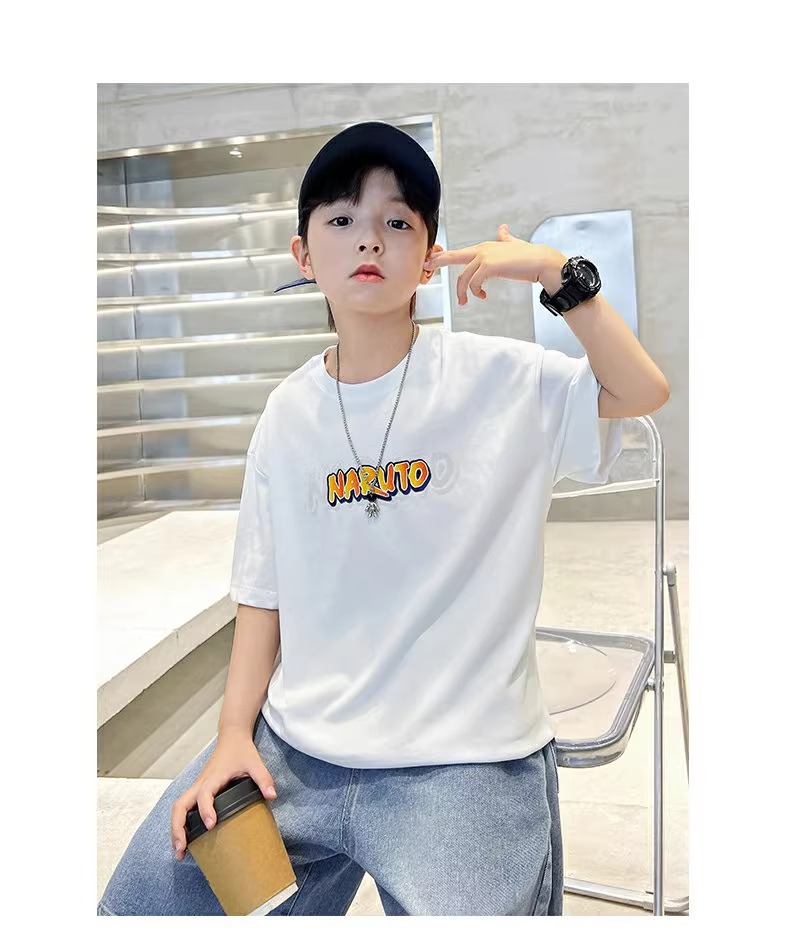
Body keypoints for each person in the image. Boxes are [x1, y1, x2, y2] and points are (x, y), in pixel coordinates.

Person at [97, 122, 670, 916]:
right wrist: (233, 735)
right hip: (298, 754)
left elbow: (640, 391)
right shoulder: (286, 414)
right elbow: (262, 594)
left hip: (464, 759)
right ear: (304, 255)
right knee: (140, 908)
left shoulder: (501, 381)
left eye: (398, 221)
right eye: (341, 218)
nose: (369, 237)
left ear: (430, 257)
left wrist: (554, 272)